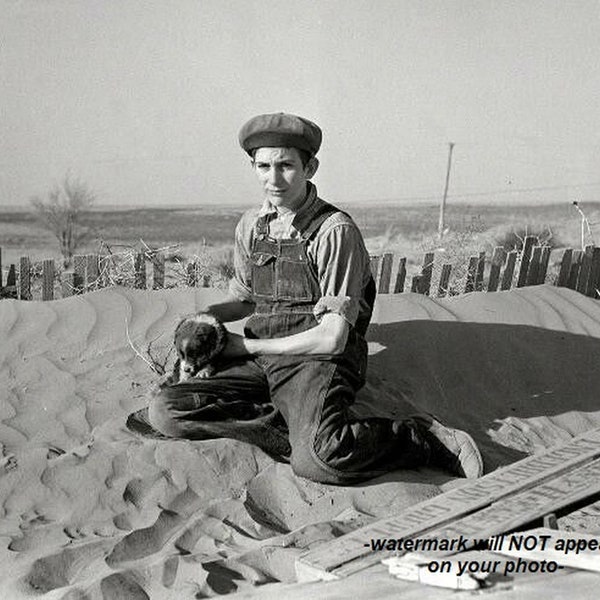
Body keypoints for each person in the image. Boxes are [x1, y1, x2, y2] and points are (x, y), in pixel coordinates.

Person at [127, 112, 483, 484]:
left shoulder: (334, 231)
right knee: (166, 412)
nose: (274, 179)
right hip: (262, 357)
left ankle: (419, 438)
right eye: (263, 166)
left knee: (320, 461)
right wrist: (204, 318)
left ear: (310, 167)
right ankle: (294, 421)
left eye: (286, 166)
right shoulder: (251, 225)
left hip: (317, 362)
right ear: (253, 166)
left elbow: (333, 337)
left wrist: (245, 348)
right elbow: (246, 299)